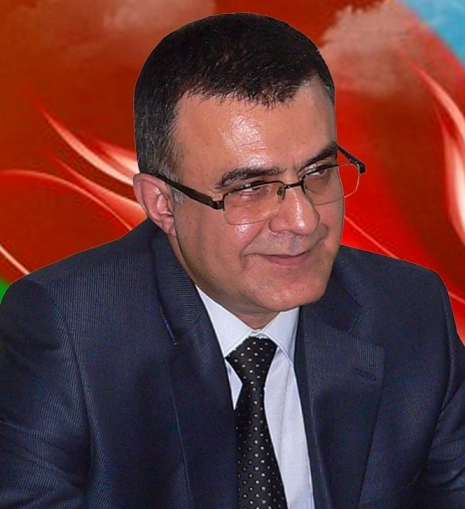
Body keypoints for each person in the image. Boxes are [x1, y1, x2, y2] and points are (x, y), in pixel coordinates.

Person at [0, 12, 464, 509]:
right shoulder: (65, 331)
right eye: (250, 189)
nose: (303, 220)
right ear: (162, 204)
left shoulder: (408, 311)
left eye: (319, 172)